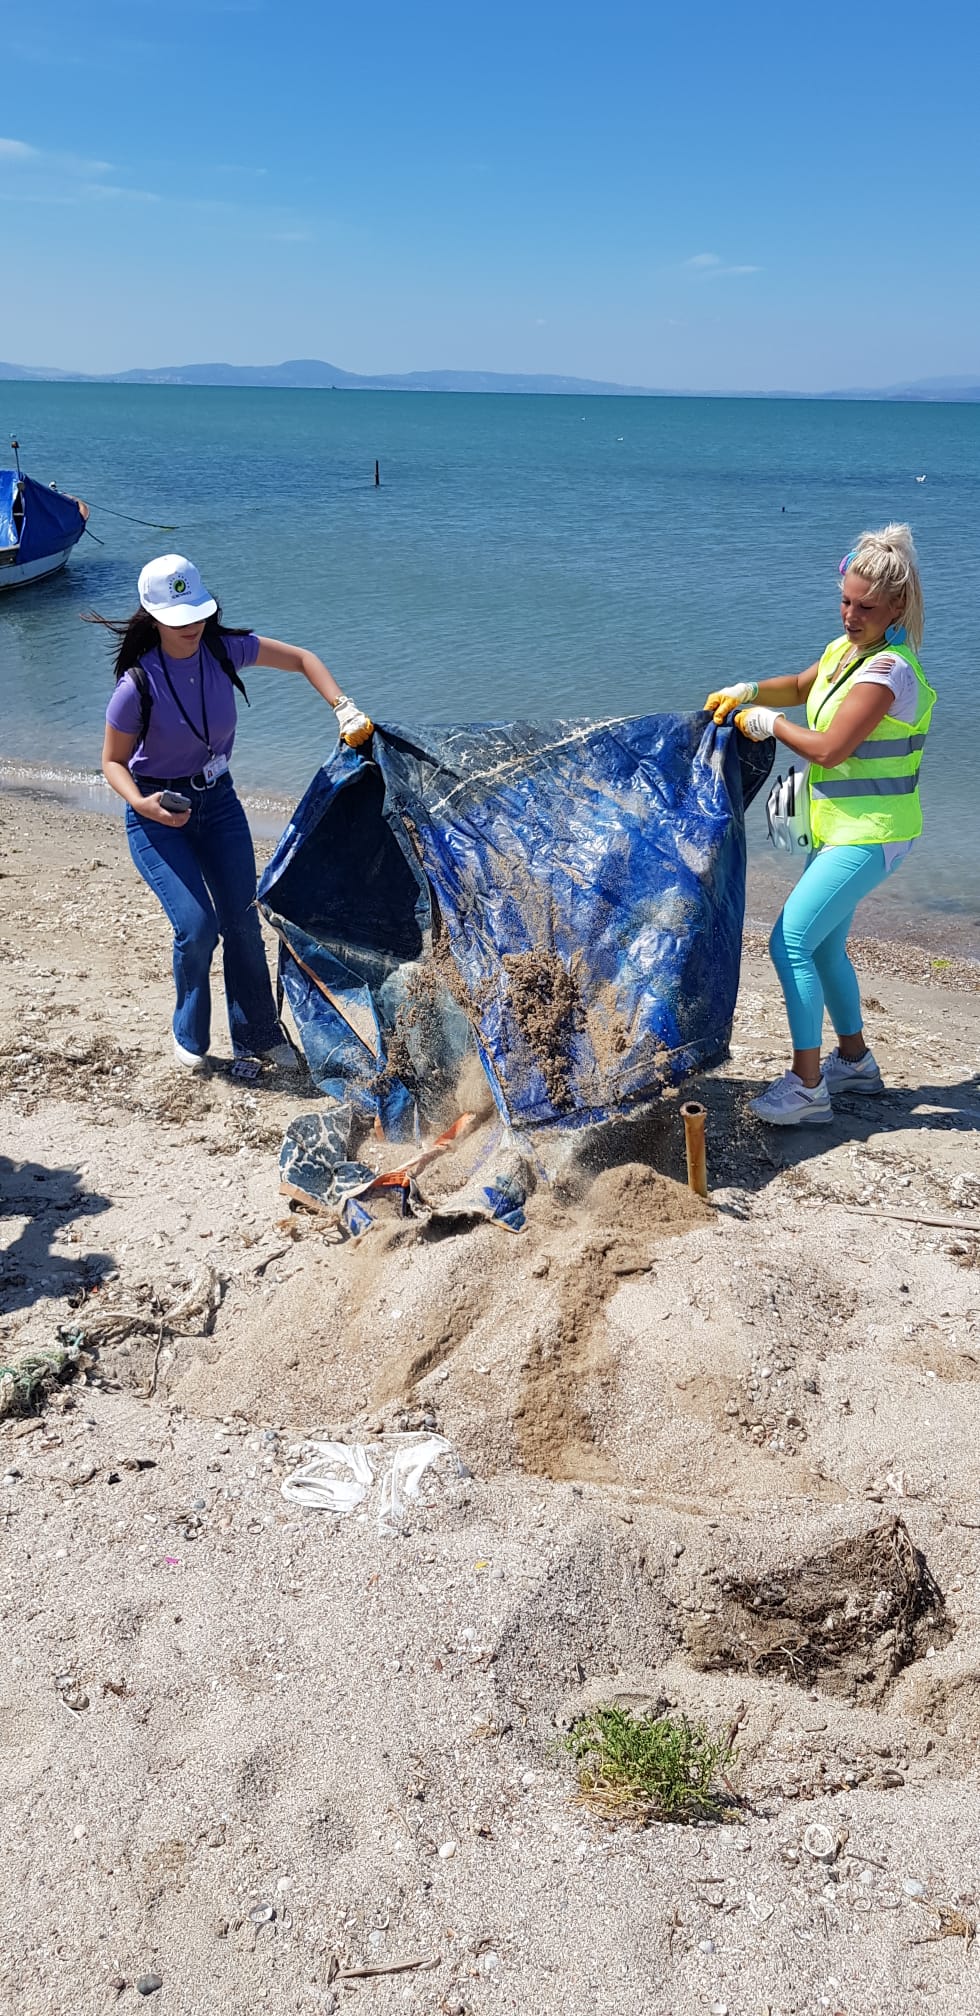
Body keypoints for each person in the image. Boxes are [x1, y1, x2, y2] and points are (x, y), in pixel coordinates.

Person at [99, 553, 374, 1073]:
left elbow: (303, 659)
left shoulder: (224, 651)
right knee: (197, 928)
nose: (193, 626)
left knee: (244, 923)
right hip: (156, 811)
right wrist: (140, 803)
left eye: (199, 613)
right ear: (153, 617)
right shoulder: (135, 687)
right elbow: (112, 762)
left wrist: (343, 707)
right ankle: (190, 1031)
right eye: (180, 619)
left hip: (219, 803)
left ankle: (258, 1036)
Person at [704, 523, 935, 1126]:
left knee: (790, 943)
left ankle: (808, 1089)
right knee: (828, 946)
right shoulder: (845, 652)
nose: (851, 614)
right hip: (838, 828)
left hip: (875, 832)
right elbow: (804, 684)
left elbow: (831, 748)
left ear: (897, 608)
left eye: (865, 607)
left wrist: (769, 724)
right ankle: (854, 1065)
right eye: (845, 600)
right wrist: (752, 689)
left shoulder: (889, 673)